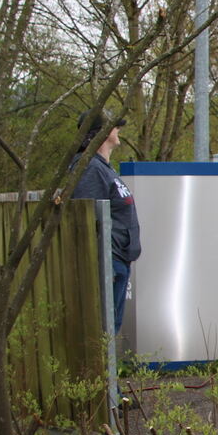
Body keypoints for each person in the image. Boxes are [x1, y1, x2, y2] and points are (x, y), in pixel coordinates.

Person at [70, 108, 141, 334]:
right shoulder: (89, 168)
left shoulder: (101, 167)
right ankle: (100, 371)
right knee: (103, 332)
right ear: (99, 133)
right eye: (114, 126)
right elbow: (87, 218)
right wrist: (107, 263)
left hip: (117, 261)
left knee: (110, 330)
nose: (118, 129)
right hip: (108, 263)